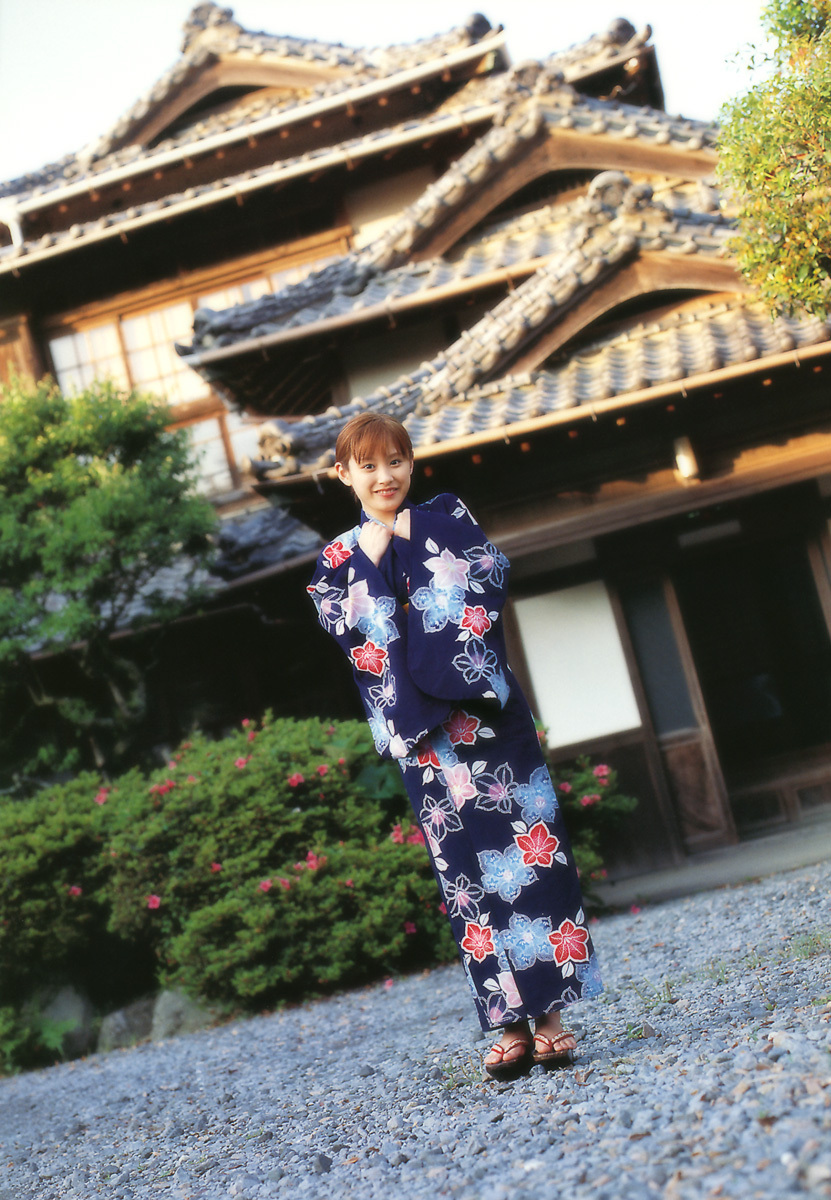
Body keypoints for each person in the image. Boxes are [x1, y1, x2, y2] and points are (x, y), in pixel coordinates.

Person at [307, 412, 602, 1077]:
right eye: (368, 466)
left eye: (396, 461)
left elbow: (488, 576)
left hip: (486, 723)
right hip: (426, 740)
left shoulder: (445, 518)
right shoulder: (337, 559)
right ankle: (508, 1023)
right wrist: (368, 564)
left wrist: (419, 539)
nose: (385, 476)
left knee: (530, 860)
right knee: (465, 878)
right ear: (343, 474)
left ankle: (551, 1020)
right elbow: (347, 631)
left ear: (411, 464)